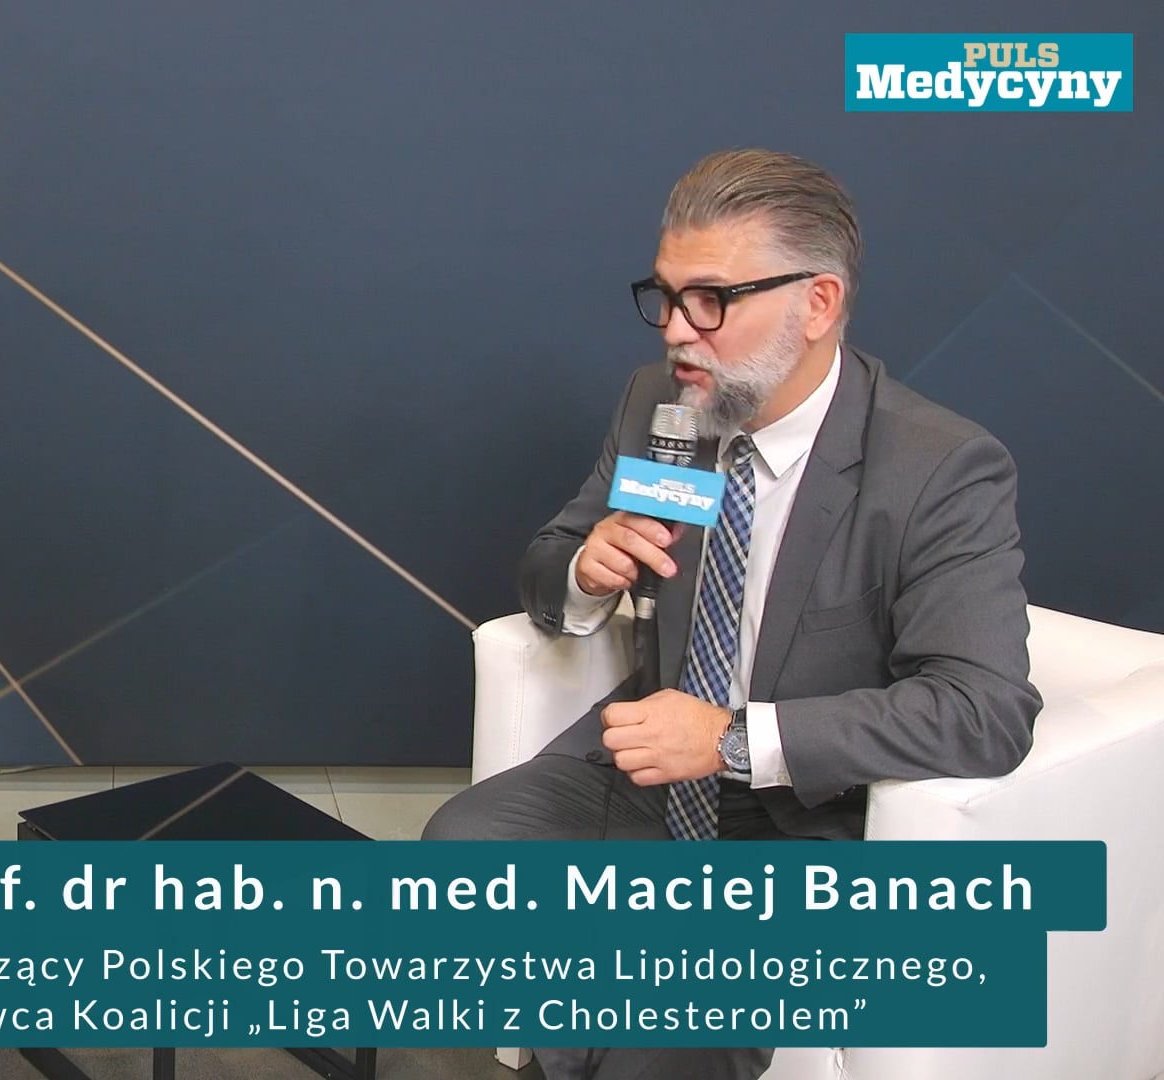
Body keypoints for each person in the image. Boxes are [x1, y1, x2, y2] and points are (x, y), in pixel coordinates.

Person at [423, 149, 1041, 1079]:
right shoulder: (662, 406)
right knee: (466, 856)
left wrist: (732, 740)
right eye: (667, 296)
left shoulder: (938, 467)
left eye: (711, 300)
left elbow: (983, 710)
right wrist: (588, 569)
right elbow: (551, 561)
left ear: (818, 304)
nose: (678, 331)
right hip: (645, 776)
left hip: (808, 816)